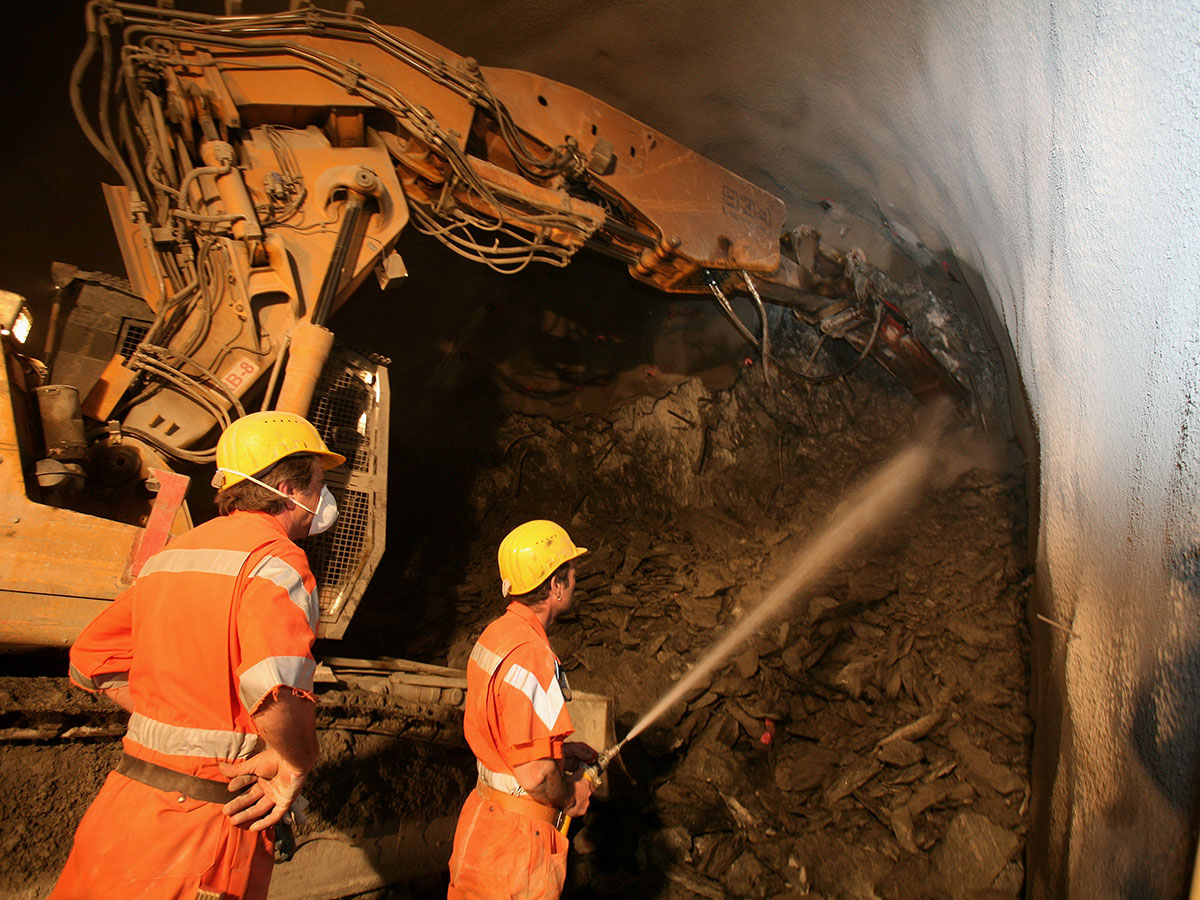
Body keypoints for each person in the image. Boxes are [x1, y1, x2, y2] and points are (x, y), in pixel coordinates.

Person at [47, 410, 345, 900]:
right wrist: (294, 764)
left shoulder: (175, 554)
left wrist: (178, 718)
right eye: (318, 483)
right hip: (206, 823)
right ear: (291, 491)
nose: (322, 497)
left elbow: (91, 658)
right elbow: (273, 688)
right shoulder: (277, 560)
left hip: (126, 806)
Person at [448, 519, 598, 900]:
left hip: (482, 823)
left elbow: (506, 729)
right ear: (555, 585)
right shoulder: (533, 656)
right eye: (570, 572)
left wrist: (558, 751)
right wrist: (570, 797)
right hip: (516, 845)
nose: (575, 579)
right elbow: (534, 775)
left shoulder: (497, 633)